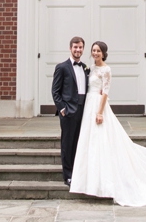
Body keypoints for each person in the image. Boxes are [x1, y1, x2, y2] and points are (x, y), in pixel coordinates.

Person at [70, 41, 146, 206]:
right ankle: (90, 181)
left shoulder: (106, 69)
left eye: (98, 51)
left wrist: (99, 112)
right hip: (88, 106)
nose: (95, 53)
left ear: (104, 53)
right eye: (93, 50)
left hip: (98, 106)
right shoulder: (89, 68)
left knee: (103, 141)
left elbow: (105, 92)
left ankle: (105, 183)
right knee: (90, 142)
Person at [51, 36, 89, 186]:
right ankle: (68, 175)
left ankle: (77, 172)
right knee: (67, 143)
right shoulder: (62, 67)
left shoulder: (86, 67)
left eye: (80, 47)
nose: (78, 50)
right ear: (70, 48)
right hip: (68, 111)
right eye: (75, 47)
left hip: (83, 110)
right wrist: (62, 109)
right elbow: (55, 91)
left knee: (79, 143)